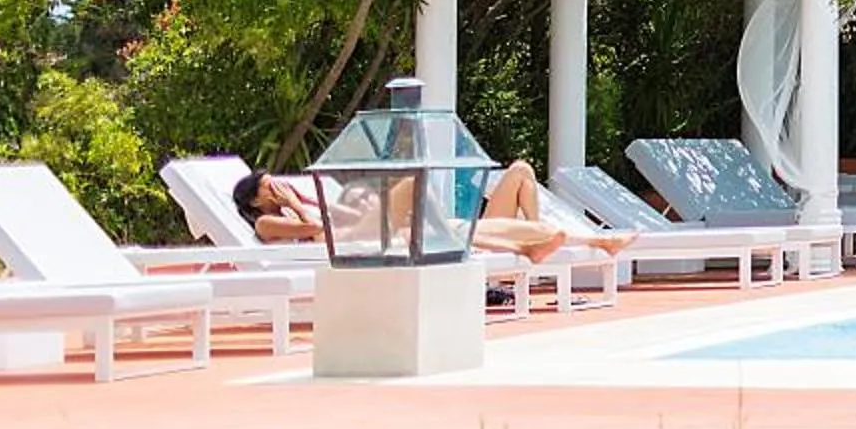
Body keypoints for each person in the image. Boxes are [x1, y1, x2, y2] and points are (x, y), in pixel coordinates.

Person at [234, 161, 633, 264]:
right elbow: (314, 233)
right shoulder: (269, 222)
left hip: (373, 231)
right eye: (270, 186)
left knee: (478, 228)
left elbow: (338, 214)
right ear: (255, 201)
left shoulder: (302, 203)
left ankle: (595, 239)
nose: (279, 187)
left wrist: (308, 201)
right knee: (411, 183)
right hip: (354, 244)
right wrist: (294, 205)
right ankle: (535, 247)